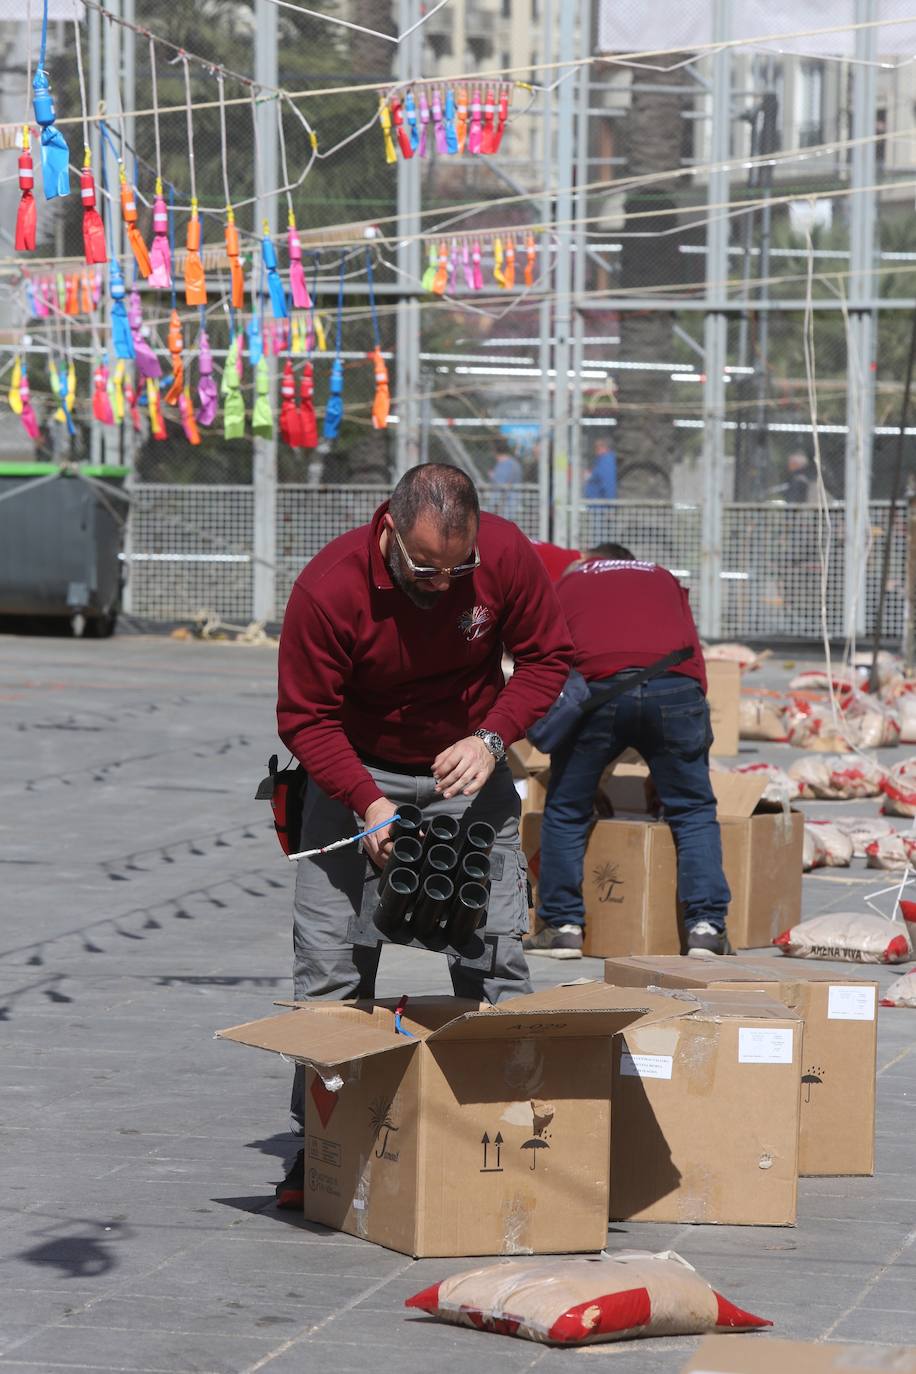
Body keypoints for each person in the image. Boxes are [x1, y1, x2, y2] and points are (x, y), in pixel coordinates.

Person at [274, 463, 573, 1206]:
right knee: (332, 974)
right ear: (389, 530)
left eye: (457, 569)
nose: (443, 585)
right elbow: (306, 716)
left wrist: (493, 739)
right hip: (355, 771)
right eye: (424, 569)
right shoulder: (329, 587)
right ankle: (323, 1151)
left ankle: (507, 1143)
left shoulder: (504, 557)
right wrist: (367, 803)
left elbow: (546, 659)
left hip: (464, 769)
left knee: (496, 958)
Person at [524, 543, 731, 960]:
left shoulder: (572, 579)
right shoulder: (663, 575)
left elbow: (552, 654)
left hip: (599, 690)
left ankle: (562, 927)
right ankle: (706, 930)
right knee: (692, 810)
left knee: (566, 809)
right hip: (675, 687)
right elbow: (694, 655)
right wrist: (683, 749)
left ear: (591, 560)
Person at [490, 448, 524, 521]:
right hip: (512, 501)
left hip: (506, 502)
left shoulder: (505, 464)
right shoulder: (515, 463)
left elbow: (501, 483)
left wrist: (493, 476)